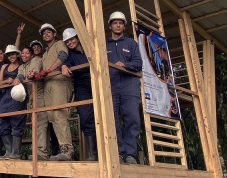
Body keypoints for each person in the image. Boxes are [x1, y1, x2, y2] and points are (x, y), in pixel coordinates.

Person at [30, 23, 74, 161]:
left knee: (60, 115)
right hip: (48, 85)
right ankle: (56, 150)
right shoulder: (44, 53)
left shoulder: (59, 43)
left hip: (59, 82)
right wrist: (34, 73)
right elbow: (41, 69)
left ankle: (67, 150)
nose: (46, 34)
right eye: (44, 33)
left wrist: (49, 70)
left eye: (49, 32)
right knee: (52, 117)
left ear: (54, 34)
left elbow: (63, 56)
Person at [106, 11, 143, 164]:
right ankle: (119, 153)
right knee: (112, 120)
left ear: (124, 25)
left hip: (130, 87)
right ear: (110, 26)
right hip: (111, 87)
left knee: (132, 119)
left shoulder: (131, 43)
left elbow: (139, 63)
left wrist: (125, 66)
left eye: (121, 22)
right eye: (115, 22)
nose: (118, 25)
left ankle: (130, 154)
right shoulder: (104, 45)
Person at [60, 28, 97, 161]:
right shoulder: (71, 56)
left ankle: (114, 152)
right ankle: (92, 154)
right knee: (86, 118)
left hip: (98, 84)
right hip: (82, 87)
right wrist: (64, 66)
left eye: (72, 39)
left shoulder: (91, 48)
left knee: (105, 117)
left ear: (78, 37)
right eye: (67, 41)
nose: (70, 42)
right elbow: (66, 64)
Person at [0, 45, 27, 159]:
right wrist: (7, 81)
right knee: (0, 122)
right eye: (9, 55)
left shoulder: (21, 65)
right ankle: (9, 151)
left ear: (17, 54)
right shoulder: (4, 66)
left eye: (13, 54)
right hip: (6, 96)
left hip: (18, 95)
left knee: (16, 122)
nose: (11, 56)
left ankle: (15, 153)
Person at [25, 39, 49, 159]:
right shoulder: (26, 64)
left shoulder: (39, 60)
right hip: (32, 96)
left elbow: (33, 71)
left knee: (41, 123)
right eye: (33, 47)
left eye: (37, 46)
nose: (36, 48)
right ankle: (39, 152)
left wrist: (32, 74)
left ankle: (41, 152)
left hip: (41, 94)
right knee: (38, 124)